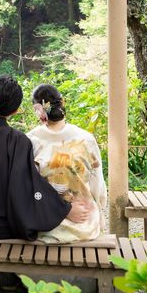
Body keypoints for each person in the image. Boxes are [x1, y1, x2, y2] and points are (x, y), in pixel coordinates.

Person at [0, 75, 91, 242]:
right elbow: (29, 186)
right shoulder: (18, 140)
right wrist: (65, 209)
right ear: (15, 111)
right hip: (1, 231)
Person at [27, 84, 107, 244]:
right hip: (85, 223)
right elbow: (97, 186)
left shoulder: (31, 140)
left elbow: (29, 189)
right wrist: (98, 210)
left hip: (46, 225)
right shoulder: (86, 139)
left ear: (39, 111)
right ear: (62, 104)